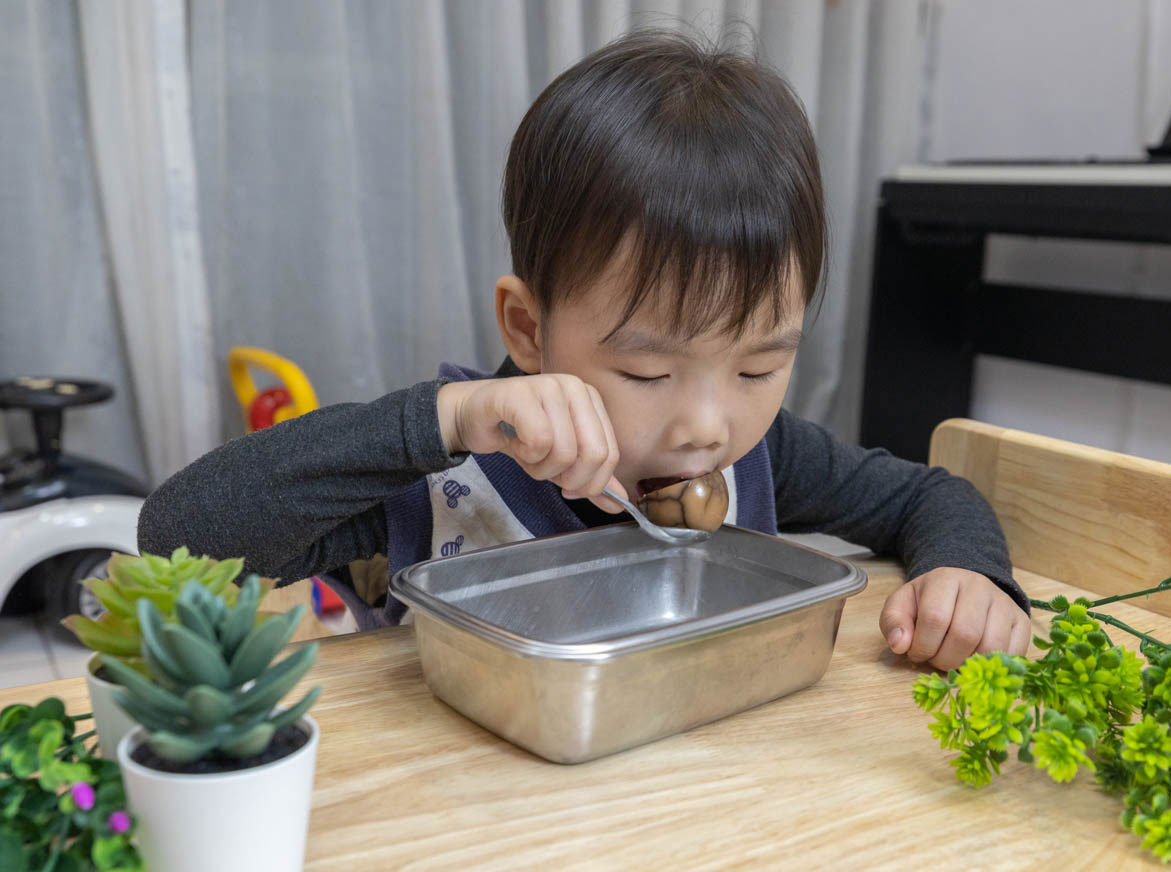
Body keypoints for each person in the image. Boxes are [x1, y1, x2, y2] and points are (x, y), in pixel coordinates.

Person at [138, 30, 1030, 671]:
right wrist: (442, 419)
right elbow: (181, 536)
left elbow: (929, 496)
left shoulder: (762, 456)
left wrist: (966, 575)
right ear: (528, 330)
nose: (708, 427)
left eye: (760, 365)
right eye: (648, 371)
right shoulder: (449, 479)